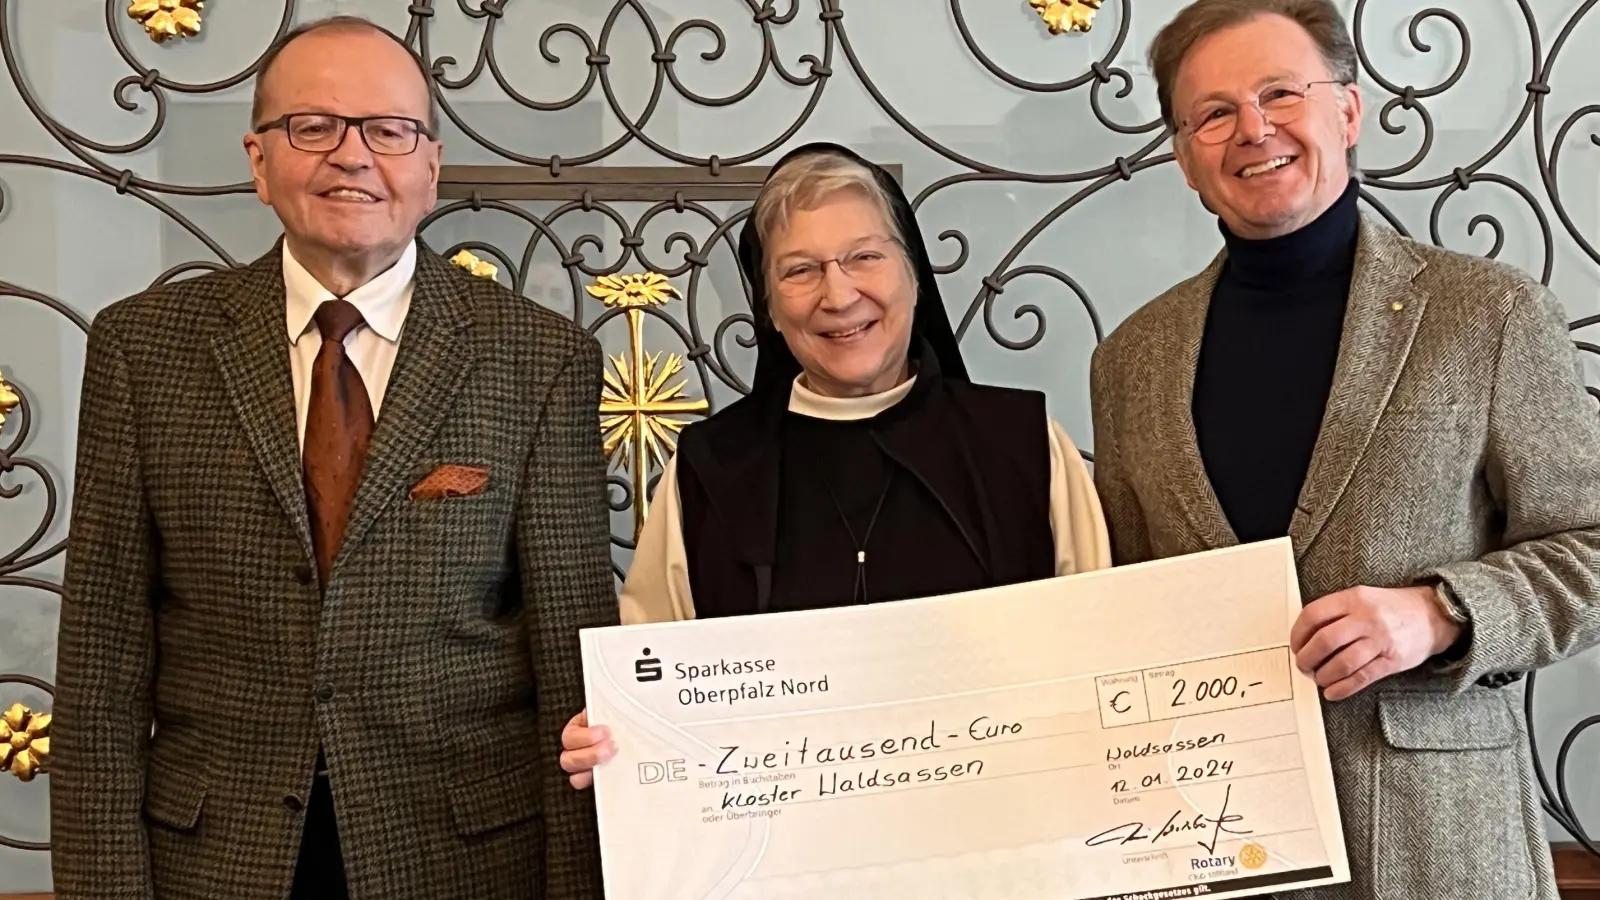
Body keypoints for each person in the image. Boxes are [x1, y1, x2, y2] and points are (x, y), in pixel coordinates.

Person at [49, 16, 614, 900]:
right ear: (258, 159)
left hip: (465, 858)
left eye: (388, 130)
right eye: (312, 126)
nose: (352, 155)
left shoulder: (540, 358)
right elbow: (102, 663)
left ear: (431, 166)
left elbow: (571, 660)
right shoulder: (144, 349)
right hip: (214, 858)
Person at [1090, 1, 1600, 898]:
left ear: (1349, 111)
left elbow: (1591, 550)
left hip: (1439, 849)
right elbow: (1136, 607)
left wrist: (1442, 613)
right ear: (1184, 158)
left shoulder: (1492, 313)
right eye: (1213, 113)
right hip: (1215, 843)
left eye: (1280, 93)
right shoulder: (1130, 360)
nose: (1254, 129)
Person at [559, 142, 1112, 786]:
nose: (839, 293)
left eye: (864, 257)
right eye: (800, 271)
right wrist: (613, 739)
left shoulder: (1023, 444)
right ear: (769, 308)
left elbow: (1102, 661)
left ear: (914, 276)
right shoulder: (711, 470)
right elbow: (651, 686)